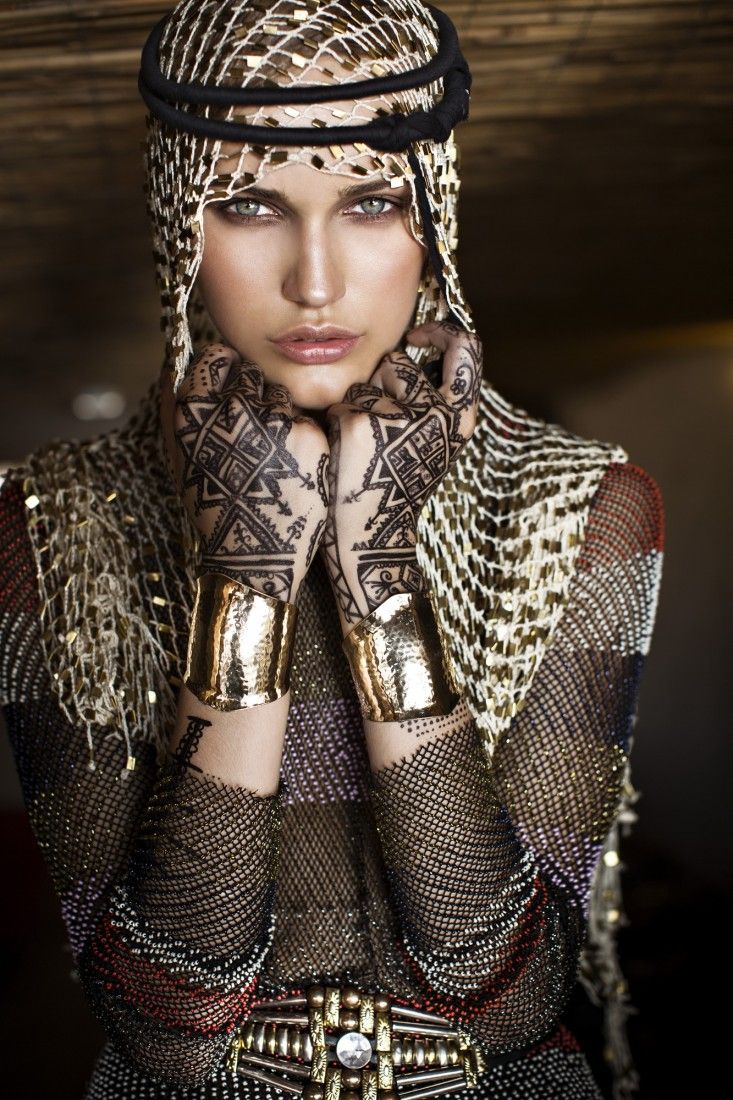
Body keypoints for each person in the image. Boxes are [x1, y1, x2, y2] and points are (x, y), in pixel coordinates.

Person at [0, 2, 665, 1098]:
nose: (315, 281)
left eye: (369, 201)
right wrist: (250, 576)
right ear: (178, 223)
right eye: (250, 203)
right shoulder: (54, 517)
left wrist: (381, 576)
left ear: (433, 218)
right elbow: (162, 1012)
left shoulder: (577, 499)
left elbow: (507, 990)